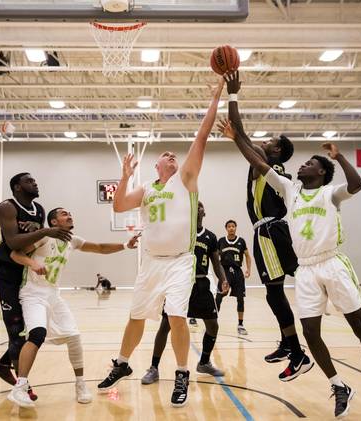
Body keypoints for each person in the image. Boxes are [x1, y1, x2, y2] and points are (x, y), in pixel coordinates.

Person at [220, 108, 361, 417]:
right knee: (311, 333)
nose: (303, 164)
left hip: (331, 264)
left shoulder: (331, 193)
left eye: (311, 163)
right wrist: (236, 138)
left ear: (321, 173)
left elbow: (356, 185)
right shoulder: (291, 190)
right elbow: (257, 161)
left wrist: (339, 157)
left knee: (358, 325)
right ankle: (338, 385)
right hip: (306, 270)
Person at [97, 78, 224, 408]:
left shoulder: (186, 179)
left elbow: (202, 135)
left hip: (181, 261)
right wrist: (125, 176)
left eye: (174, 154)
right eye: (165, 154)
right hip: (151, 261)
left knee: (177, 317)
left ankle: (182, 372)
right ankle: (122, 364)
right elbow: (119, 206)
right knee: (136, 316)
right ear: (155, 165)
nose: (171, 155)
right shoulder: (148, 188)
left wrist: (215, 96)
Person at [223, 70, 311, 382]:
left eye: (271, 140)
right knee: (274, 293)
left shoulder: (267, 161)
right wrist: (237, 136)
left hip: (271, 231)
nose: (265, 139)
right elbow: (242, 137)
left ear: (275, 151)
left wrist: (232, 95)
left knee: (276, 292)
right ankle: (289, 344)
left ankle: (298, 352)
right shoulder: (263, 161)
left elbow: (242, 133)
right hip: (264, 231)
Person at [6, 207, 140, 407]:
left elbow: (100, 247)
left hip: (53, 294)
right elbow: (16, 255)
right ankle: (20, 386)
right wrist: (32, 264)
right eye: (63, 214)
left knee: (74, 336)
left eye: (70, 212)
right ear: (53, 222)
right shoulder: (43, 238)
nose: (69, 215)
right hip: (33, 294)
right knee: (37, 335)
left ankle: (80, 384)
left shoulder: (72, 240)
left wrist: (125, 245)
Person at [0, 172, 72, 400]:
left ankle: (3, 364)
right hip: (0, 271)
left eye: (34, 180)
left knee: (29, 329)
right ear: (17, 187)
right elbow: (13, 243)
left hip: (22, 270)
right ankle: (22, 386)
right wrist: (45, 231)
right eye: (29, 181)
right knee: (16, 330)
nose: (35, 183)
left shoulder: (39, 210)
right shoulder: (6, 207)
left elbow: (32, 243)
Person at [141, 201, 229, 385]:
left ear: (204, 212)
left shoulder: (210, 237)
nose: (198, 208)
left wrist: (223, 279)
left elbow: (216, 262)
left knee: (213, 326)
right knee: (166, 326)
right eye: (194, 206)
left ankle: (204, 362)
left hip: (202, 284)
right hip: (180, 283)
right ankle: (154, 367)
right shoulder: (179, 234)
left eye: (201, 206)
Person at [216, 219, 252, 335]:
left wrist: (248, 269)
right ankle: (213, 322)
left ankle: (240, 324)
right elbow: (215, 257)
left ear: (236, 228)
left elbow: (247, 256)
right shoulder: (221, 241)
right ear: (226, 228)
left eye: (233, 226)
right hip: (225, 272)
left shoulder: (241, 241)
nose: (231, 228)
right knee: (219, 297)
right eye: (229, 226)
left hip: (237, 272)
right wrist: (217, 272)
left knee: (240, 299)